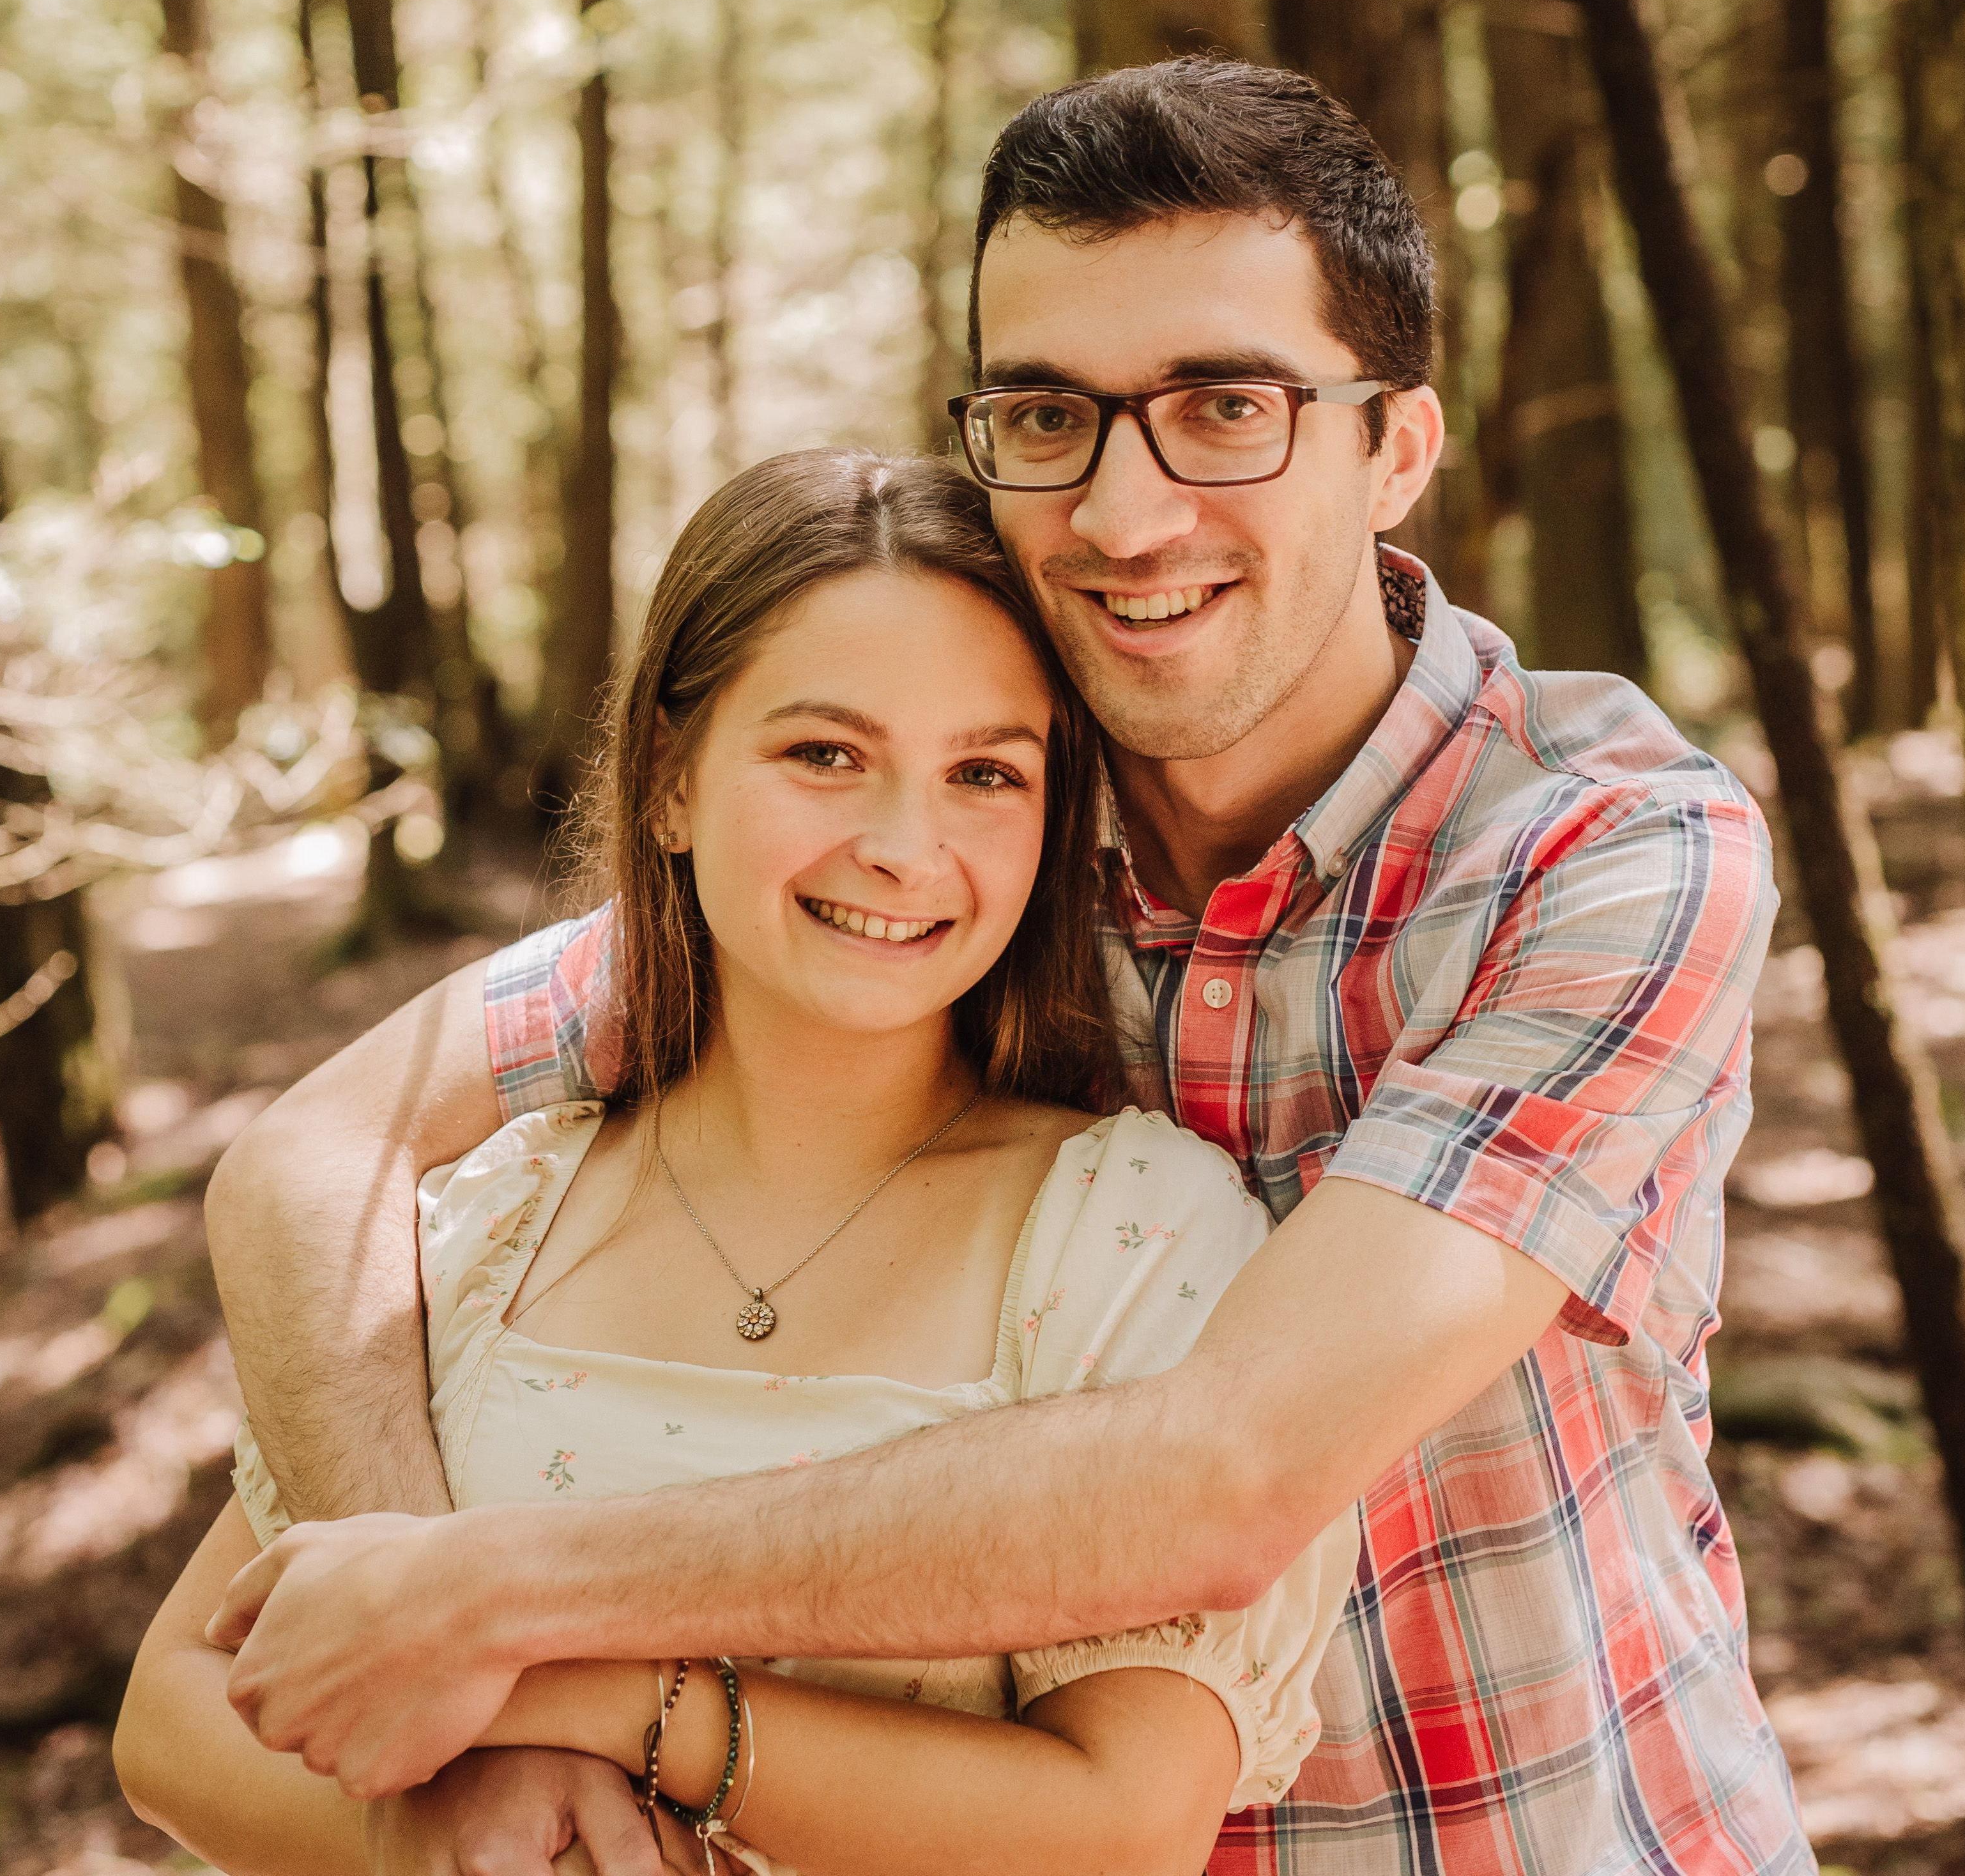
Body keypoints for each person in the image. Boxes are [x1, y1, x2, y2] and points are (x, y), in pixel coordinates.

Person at [192, 59, 1814, 1873]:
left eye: (1224, 407)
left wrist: (490, 1610)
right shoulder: (952, 837)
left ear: (1397, 448)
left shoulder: (1600, 854)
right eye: (1048, 413)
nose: (1122, 515)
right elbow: (314, 1157)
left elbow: (1220, 1479)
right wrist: (433, 1689)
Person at [116, 449, 1361, 1875]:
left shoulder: (1134, 1234)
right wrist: (434, 1823)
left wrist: (568, 1700)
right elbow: (174, 1713)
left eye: (984, 773)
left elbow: (1122, 1826)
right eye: (825, 754)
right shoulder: (493, 1213)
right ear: (670, 781)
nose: (904, 847)